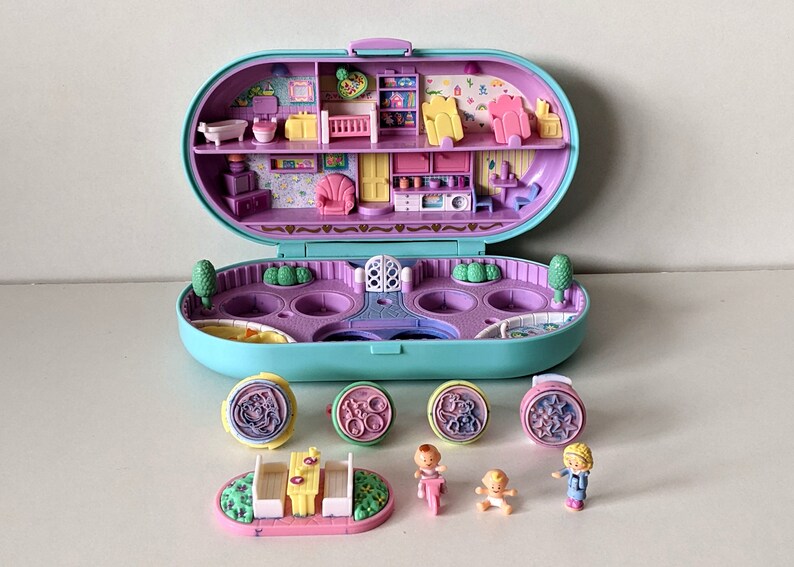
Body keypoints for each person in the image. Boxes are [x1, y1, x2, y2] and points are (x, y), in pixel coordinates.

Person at [551, 442, 593, 511]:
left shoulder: (583, 473)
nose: (573, 465)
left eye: (576, 464)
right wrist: (558, 474)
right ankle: (571, 499)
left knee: (578, 495)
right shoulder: (570, 469)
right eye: (570, 463)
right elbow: (563, 471)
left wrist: (583, 480)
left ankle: (577, 501)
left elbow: (583, 484)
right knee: (571, 493)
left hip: (579, 488)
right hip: (571, 486)